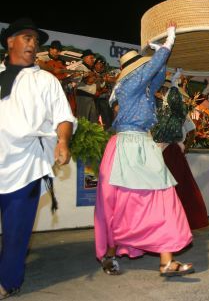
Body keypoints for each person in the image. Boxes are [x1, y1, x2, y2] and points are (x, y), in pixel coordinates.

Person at [94, 22, 195, 277]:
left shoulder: (142, 88)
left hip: (144, 146)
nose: (144, 73)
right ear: (132, 72)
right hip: (126, 147)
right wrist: (167, 45)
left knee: (164, 200)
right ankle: (109, 255)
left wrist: (164, 64)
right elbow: (150, 69)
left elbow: (156, 75)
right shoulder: (128, 85)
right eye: (141, 68)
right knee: (124, 206)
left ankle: (166, 261)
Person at [0, 18, 76, 298]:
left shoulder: (47, 80)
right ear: (10, 42)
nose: (33, 44)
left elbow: (63, 116)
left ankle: (7, 282)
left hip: (26, 165)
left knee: (16, 232)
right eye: (26, 38)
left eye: (35, 40)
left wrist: (63, 142)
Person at [154, 69, 209, 230]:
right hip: (163, 151)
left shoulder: (179, 113)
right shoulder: (161, 112)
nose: (164, 94)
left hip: (173, 151)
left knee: (176, 186)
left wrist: (186, 147)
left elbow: (192, 131)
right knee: (176, 186)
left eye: (166, 91)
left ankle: (174, 219)